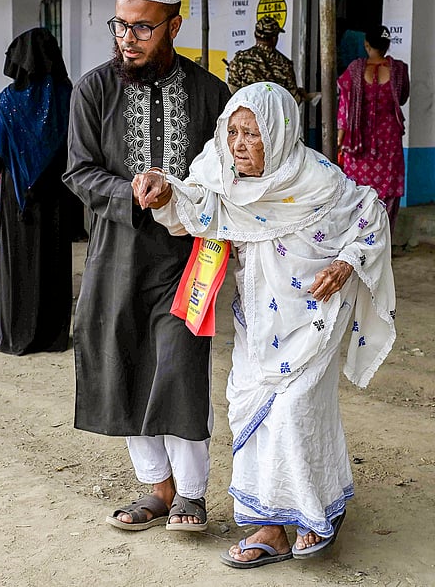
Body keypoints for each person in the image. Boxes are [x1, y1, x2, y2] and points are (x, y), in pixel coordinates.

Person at [133, 81, 396, 567]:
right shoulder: (222, 175)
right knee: (248, 408)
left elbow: (371, 215)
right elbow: (194, 202)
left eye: (251, 133)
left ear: (277, 133)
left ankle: (298, 518)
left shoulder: (318, 179)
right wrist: (165, 189)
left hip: (315, 313)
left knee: (298, 410)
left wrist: (346, 263)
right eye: (231, 131)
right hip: (260, 316)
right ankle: (275, 521)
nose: (238, 144)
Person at [63, 0, 231, 531]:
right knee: (125, 359)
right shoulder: (93, 89)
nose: (127, 39)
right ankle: (155, 488)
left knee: (181, 365)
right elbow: (79, 172)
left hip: (190, 258)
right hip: (118, 252)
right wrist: (129, 188)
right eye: (120, 26)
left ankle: (192, 492)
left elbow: (228, 174)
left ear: (174, 25)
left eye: (142, 29)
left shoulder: (210, 92)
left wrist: (182, 193)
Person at [0, 28, 73, 355]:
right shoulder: (67, 95)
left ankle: (16, 334)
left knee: (18, 264)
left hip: (17, 198)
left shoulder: (7, 101)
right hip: (56, 195)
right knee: (52, 260)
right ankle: (52, 336)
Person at [337, 25, 410, 236]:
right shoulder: (399, 71)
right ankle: (383, 238)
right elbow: (402, 97)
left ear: (366, 45)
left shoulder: (354, 70)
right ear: (388, 45)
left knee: (358, 192)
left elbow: (344, 106)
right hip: (389, 142)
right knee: (388, 192)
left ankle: (359, 237)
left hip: (359, 143)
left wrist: (340, 139)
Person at [228, 16, 306, 103]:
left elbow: (232, 93)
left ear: (255, 35)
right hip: (276, 115)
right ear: (274, 38)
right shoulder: (284, 63)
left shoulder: (240, 59)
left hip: (248, 114)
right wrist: (302, 95)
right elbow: (293, 99)